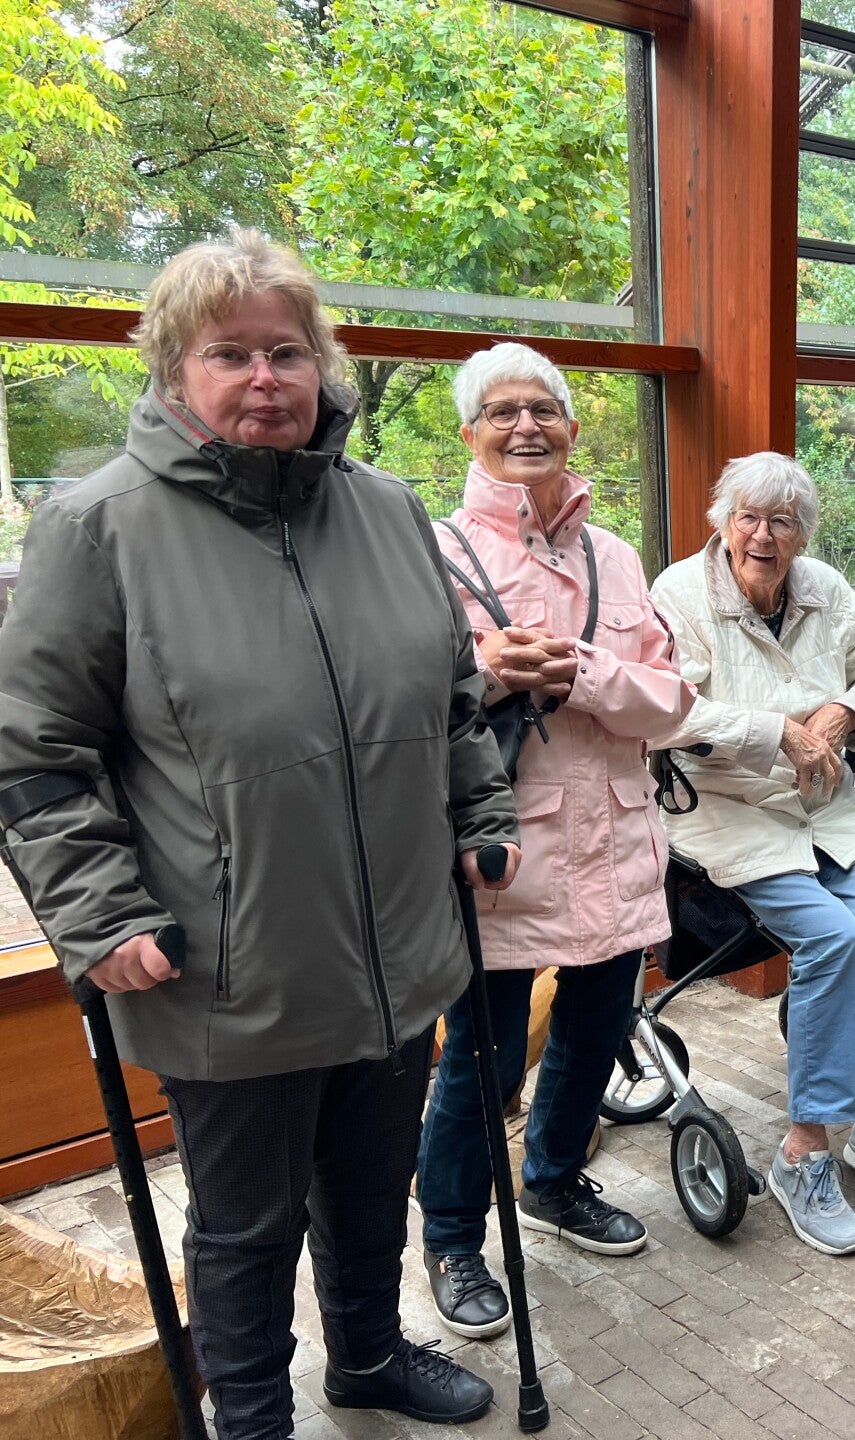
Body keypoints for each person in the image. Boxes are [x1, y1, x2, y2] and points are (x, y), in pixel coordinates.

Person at [0, 231, 520, 1438]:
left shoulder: (388, 511)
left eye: (286, 351)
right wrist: (98, 915)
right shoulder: (98, 527)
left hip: (400, 944)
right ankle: (250, 1419)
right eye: (228, 353)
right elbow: (34, 752)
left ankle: (367, 1358)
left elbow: (451, 698)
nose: (264, 378)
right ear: (173, 368)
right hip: (229, 965)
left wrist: (482, 814)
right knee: (245, 1226)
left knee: (372, 1184)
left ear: (320, 363)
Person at [415, 343, 694, 1339]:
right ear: (469, 433)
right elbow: (400, 704)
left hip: (615, 841)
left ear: (572, 429)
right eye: (502, 411)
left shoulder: (613, 555)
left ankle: (555, 1182)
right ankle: (452, 1236)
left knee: (593, 1034)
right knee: (481, 1060)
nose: (525, 425)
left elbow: (670, 701)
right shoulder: (433, 551)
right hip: (501, 850)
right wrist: (488, 669)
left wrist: (584, 672)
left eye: (543, 409)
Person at [652, 453, 855, 1259]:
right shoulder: (680, 593)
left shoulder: (824, 587)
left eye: (782, 522)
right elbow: (668, 709)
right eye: (748, 517)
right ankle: (804, 1151)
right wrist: (776, 730)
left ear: (803, 533)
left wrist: (845, 712)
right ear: (723, 521)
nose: (763, 536)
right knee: (833, 939)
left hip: (824, 807)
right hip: (730, 811)